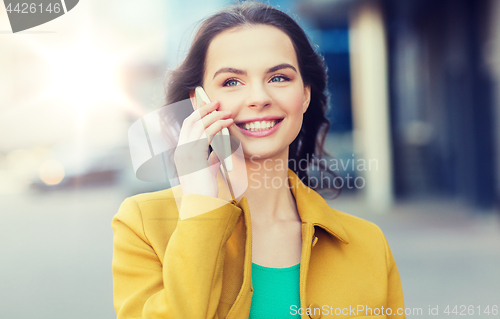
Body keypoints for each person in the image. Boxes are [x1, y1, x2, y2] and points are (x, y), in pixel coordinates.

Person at [112, 2, 405, 318]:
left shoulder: (367, 244)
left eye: (279, 77)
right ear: (199, 101)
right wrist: (200, 209)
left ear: (305, 94)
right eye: (232, 82)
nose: (259, 98)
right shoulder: (143, 225)